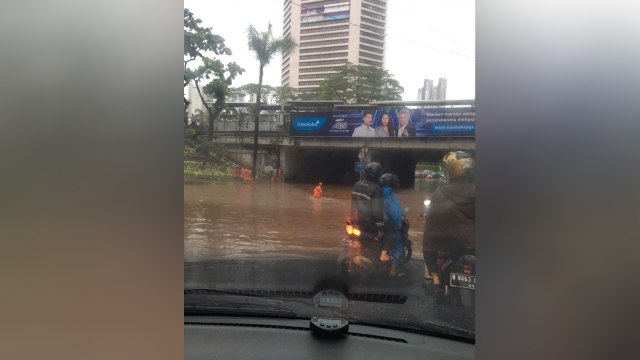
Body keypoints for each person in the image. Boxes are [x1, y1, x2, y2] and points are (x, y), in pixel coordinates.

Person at [422, 151, 475, 301]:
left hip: (450, 246)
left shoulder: (441, 192)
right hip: (473, 246)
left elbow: (433, 221)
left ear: (453, 171)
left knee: (428, 244)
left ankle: (436, 280)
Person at [379, 173, 406, 277]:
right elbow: (395, 216)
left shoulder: (376, 191)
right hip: (387, 226)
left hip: (373, 224)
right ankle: (393, 271)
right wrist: (400, 222)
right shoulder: (390, 196)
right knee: (399, 245)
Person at [350, 162, 385, 241]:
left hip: (356, 222)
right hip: (370, 226)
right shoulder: (376, 189)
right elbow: (377, 211)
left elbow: (353, 204)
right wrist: (381, 227)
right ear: (378, 176)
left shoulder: (357, 185)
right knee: (387, 237)